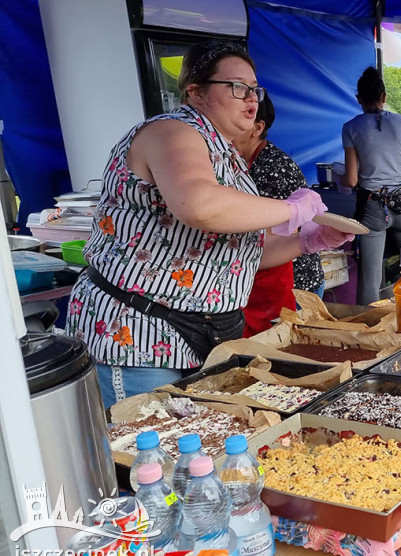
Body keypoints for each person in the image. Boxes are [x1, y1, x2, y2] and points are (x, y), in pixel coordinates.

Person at [66, 41, 352, 408]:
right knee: (148, 456)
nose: (251, 98)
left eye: (254, 89)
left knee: (192, 455)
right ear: (196, 91)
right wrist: (289, 211)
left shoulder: (226, 153)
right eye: (237, 87)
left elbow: (236, 253)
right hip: (139, 334)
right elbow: (198, 205)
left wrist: (307, 241)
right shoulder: (171, 132)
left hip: (203, 336)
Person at [342, 67, 401, 305]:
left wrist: (344, 176)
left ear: (359, 98)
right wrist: (398, 169)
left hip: (373, 207)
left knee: (370, 279)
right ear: (384, 96)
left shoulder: (350, 127)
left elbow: (350, 180)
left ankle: (371, 331)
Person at [233, 92, 309, 336]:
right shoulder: (237, 163)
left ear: (257, 127)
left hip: (289, 279)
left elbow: (285, 229)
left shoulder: (274, 166)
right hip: (255, 278)